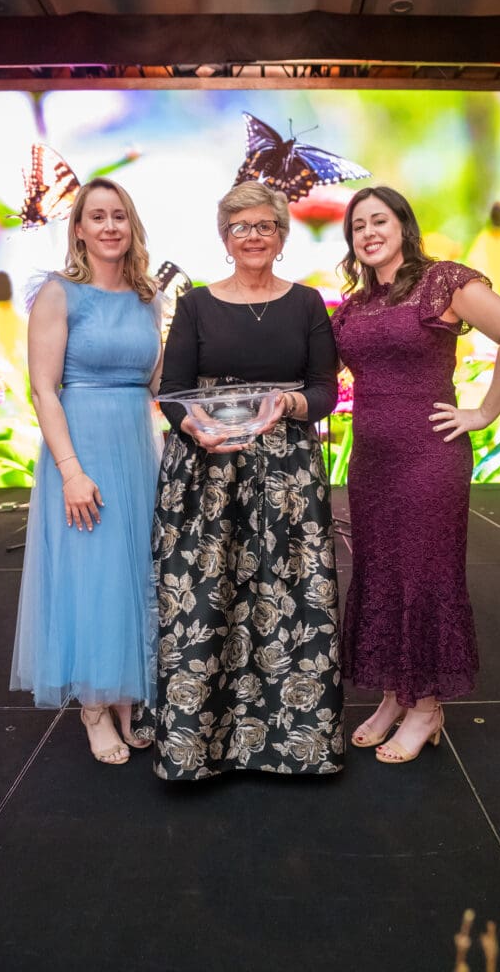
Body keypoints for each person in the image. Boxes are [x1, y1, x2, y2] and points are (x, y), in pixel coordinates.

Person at [137, 180, 344, 780]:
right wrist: (194, 427)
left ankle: (292, 742)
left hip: (287, 475)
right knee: (204, 599)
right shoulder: (197, 303)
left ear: (281, 236)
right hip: (206, 470)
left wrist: (290, 405)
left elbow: (324, 390)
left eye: (264, 226)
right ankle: (194, 745)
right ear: (224, 238)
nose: (252, 236)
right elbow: (172, 391)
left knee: (289, 599)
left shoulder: (307, 303)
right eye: (240, 227)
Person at [331, 186, 500, 764]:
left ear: (403, 225)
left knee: (423, 574)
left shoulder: (443, 281)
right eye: (357, 226)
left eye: (379, 220)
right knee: (380, 571)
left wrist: (484, 413)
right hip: (370, 461)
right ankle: (396, 695)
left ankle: (428, 707)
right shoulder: (357, 305)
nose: (368, 232)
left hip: (429, 457)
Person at [10, 178, 163, 766]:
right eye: (96, 216)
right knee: (91, 571)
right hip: (80, 445)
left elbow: (156, 382)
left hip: (133, 442)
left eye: (119, 215)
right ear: (77, 228)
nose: (109, 226)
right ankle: (94, 706)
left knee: (132, 571)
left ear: (132, 225)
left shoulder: (149, 296)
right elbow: (43, 390)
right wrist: (72, 471)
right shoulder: (58, 293)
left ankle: (126, 694)